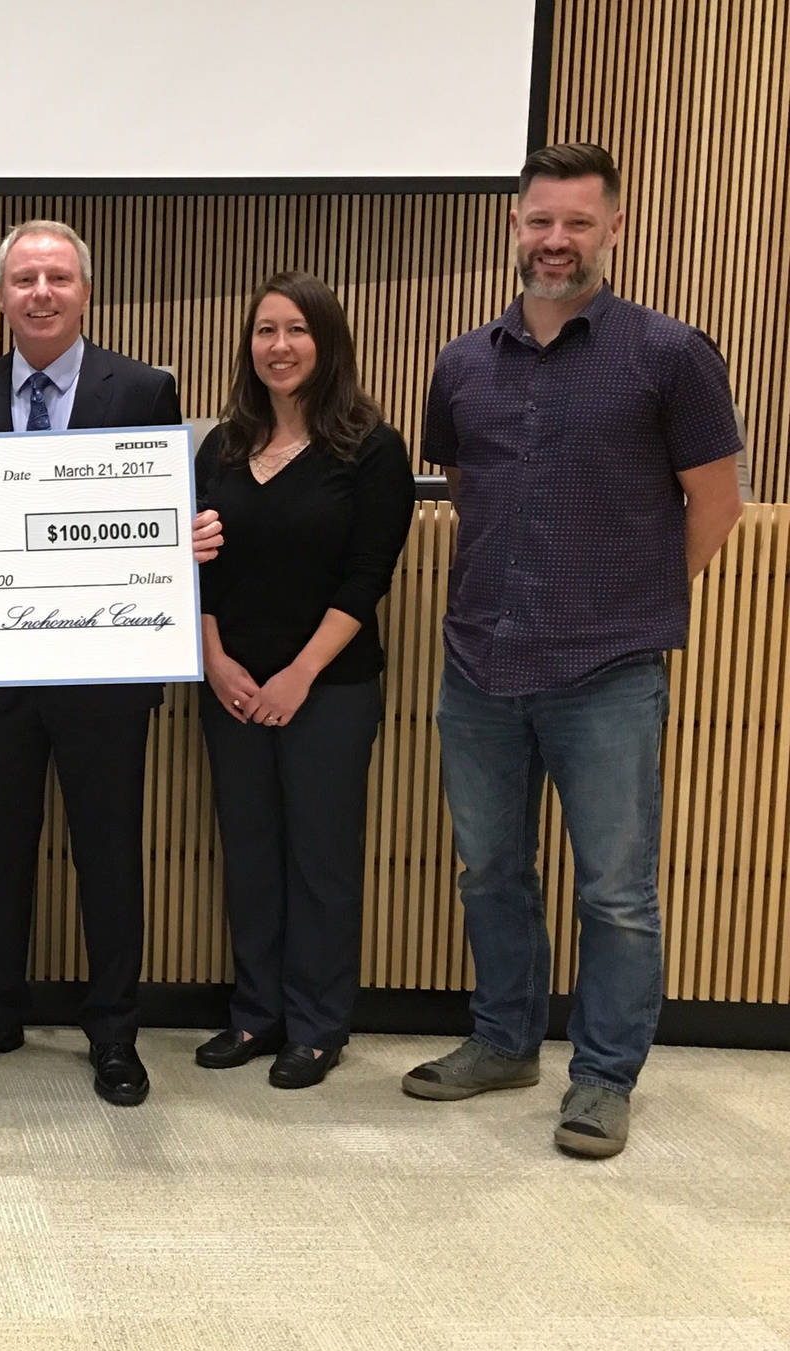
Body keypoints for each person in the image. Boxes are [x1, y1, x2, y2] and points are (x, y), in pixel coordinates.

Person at [405, 143, 744, 1157]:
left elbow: (714, 505)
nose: (555, 242)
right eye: (538, 222)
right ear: (513, 227)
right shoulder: (461, 361)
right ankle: (503, 1041)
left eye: (576, 224)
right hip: (476, 664)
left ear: (613, 229)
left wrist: (620, 601)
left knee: (613, 890)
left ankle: (600, 1077)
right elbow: (466, 491)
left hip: (605, 670)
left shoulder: (668, 353)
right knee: (489, 871)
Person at [0, 220, 220, 1104]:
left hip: (106, 673)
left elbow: (168, 513)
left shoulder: (144, 388)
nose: (42, 293)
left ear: (86, 291)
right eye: (25, 279)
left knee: (109, 854)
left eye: (58, 277)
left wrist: (190, 534)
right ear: (2, 295)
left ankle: (114, 1030)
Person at [192, 271, 416, 1088]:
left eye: (296, 331)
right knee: (249, 853)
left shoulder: (370, 447)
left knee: (320, 858)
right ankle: (256, 1013)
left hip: (328, 686)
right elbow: (196, 568)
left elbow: (366, 578)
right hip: (229, 685)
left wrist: (296, 676)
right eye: (263, 331)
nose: (277, 347)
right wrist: (214, 659)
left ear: (328, 344)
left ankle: (318, 1025)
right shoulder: (220, 446)